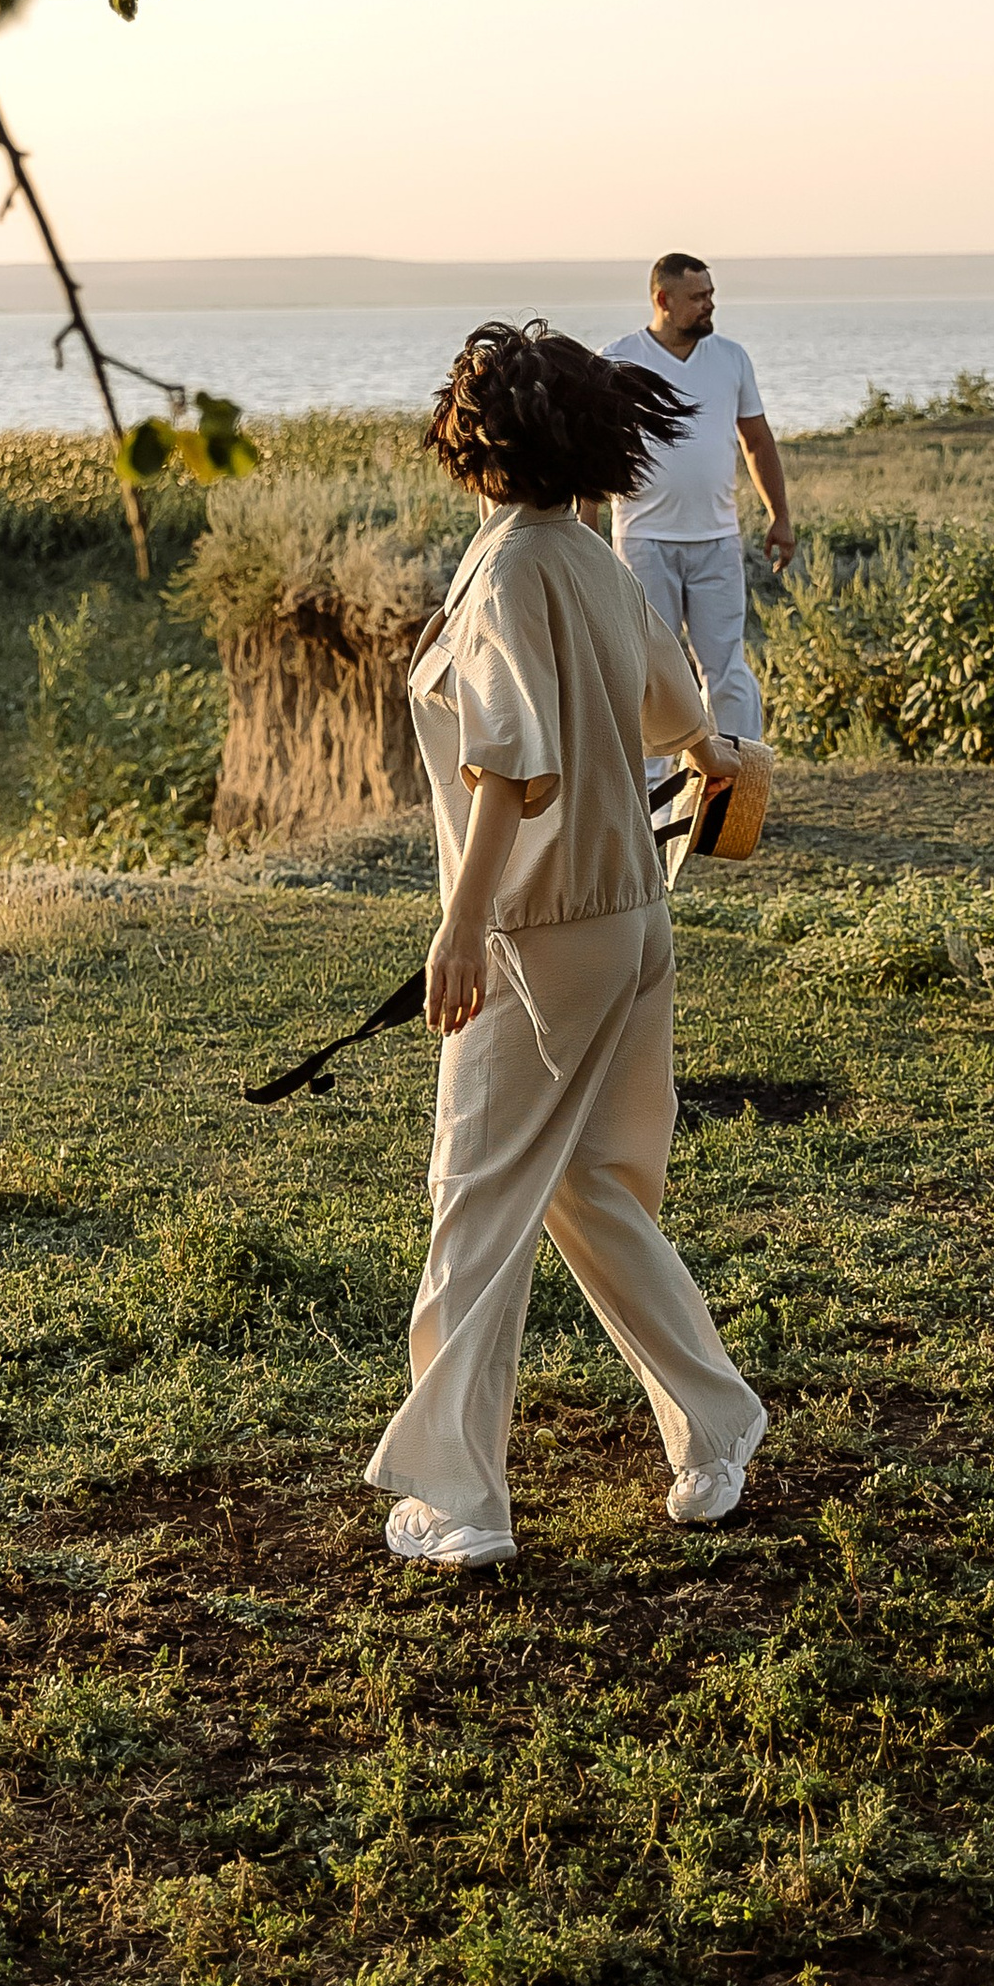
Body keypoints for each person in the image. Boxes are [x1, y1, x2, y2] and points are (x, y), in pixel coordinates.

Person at [366, 319, 770, 1571]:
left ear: (472, 442)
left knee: (475, 1208)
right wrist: (721, 759)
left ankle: (458, 1501)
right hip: (633, 918)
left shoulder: (502, 577)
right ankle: (716, 1425)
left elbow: (509, 772)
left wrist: (461, 928)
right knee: (591, 1192)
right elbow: (681, 717)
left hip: (542, 935)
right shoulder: (593, 561)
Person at [596, 255, 794, 748]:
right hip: (643, 542)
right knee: (650, 672)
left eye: (710, 294)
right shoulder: (617, 360)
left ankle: (742, 782)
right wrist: (586, 531)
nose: (710, 305)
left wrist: (780, 517)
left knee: (727, 670)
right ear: (663, 300)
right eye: (698, 297)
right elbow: (597, 454)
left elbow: (757, 442)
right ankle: (654, 804)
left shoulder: (732, 358)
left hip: (717, 542)